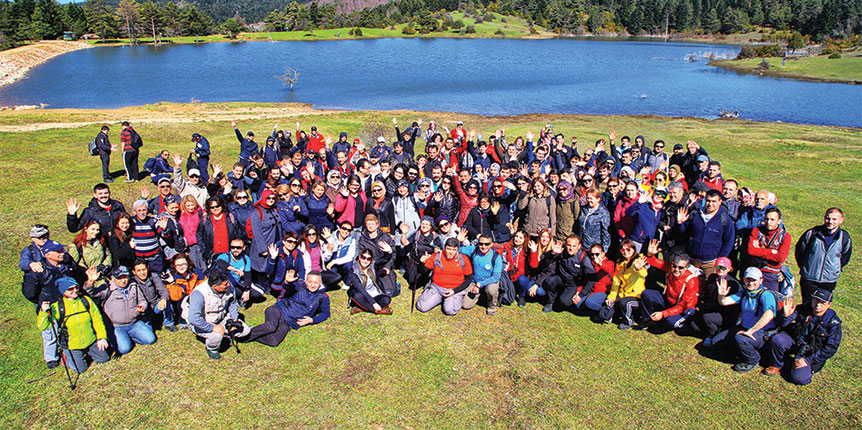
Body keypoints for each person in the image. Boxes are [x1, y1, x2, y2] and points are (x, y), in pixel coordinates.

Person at [762, 289, 842, 385]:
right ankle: (777, 364)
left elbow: (830, 348)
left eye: (823, 302)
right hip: (798, 342)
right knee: (778, 339)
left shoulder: (833, 323)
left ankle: (802, 367)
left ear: (829, 304)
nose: (818, 304)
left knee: (800, 379)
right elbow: (783, 324)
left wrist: (807, 360)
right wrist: (786, 316)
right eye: (816, 300)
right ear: (812, 299)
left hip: (812, 352)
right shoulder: (804, 309)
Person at [37, 276, 110, 374]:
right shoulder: (57, 307)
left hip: (90, 340)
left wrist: (101, 337)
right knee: (81, 370)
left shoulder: (86, 301)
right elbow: (43, 326)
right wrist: (44, 312)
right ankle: (67, 357)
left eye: (76, 287)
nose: (75, 290)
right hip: (72, 345)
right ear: (63, 291)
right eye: (70, 289)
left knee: (104, 358)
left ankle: (86, 353)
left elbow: (97, 319)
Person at [715, 267, 779, 373]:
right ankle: (743, 350)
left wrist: (750, 331)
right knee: (715, 343)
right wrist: (721, 296)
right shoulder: (745, 293)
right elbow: (724, 302)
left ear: (761, 281)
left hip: (761, 332)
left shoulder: (766, 295)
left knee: (741, 338)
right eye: (747, 279)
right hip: (745, 327)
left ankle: (753, 360)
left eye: (753, 280)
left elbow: (769, 314)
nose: (750, 283)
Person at [247, 271, 331, 347]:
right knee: (271, 327)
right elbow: (288, 288)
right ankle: (243, 334)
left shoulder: (323, 297)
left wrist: (312, 320)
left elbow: (325, 314)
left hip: (288, 322)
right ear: (306, 282)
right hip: (278, 310)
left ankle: (249, 332)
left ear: (320, 283)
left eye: (316, 283)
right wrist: (287, 282)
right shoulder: (300, 287)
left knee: (273, 341)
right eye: (310, 282)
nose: (312, 285)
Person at [182, 267, 251, 359]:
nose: (228, 285)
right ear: (214, 286)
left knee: (245, 330)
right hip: (202, 322)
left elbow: (233, 303)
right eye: (225, 285)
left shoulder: (228, 286)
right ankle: (212, 348)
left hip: (221, 317)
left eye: (227, 282)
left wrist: (234, 319)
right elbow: (193, 318)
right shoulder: (199, 293)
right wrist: (212, 328)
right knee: (217, 335)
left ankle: (225, 334)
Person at [86, 266, 156, 356]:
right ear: (112, 278)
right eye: (119, 278)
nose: (123, 281)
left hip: (134, 323)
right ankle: (121, 338)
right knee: (124, 349)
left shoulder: (133, 286)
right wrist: (90, 281)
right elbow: (90, 292)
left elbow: (142, 300)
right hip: (116, 326)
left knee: (150, 339)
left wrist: (142, 307)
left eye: (125, 277)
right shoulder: (107, 288)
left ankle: (129, 337)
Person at [794, 207, 852, 307]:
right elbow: (800, 251)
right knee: (807, 305)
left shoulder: (844, 238)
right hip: (809, 279)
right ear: (824, 218)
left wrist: (835, 269)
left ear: (841, 220)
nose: (830, 222)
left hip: (829, 280)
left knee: (822, 307)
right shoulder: (812, 233)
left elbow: (845, 256)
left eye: (834, 219)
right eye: (828, 218)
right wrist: (806, 267)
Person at [642, 240, 701, 330]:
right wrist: (650, 254)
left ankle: (684, 323)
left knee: (669, 321)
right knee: (647, 294)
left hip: (683, 309)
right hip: (669, 302)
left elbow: (683, 306)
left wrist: (663, 314)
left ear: (686, 267)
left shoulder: (691, 281)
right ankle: (648, 320)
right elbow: (654, 262)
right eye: (674, 266)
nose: (676, 269)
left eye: (681, 267)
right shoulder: (670, 268)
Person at [676, 189, 735, 277]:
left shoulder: (725, 220)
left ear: (720, 202)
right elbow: (683, 233)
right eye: (708, 201)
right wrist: (680, 223)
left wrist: (720, 258)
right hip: (692, 259)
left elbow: (729, 241)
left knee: (709, 287)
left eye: (714, 201)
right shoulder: (695, 214)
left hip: (711, 262)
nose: (710, 204)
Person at [416, 238, 474, 316]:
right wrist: (422, 263)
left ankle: (451, 299)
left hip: (454, 289)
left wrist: (455, 291)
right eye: (448, 249)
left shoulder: (463, 259)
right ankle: (439, 298)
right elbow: (422, 271)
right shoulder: (437, 256)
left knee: (450, 311)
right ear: (444, 248)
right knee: (421, 307)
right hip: (437, 288)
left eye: (454, 250)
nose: (450, 252)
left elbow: (469, 278)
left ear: (457, 249)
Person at [692, 257, 742, 342]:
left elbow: (734, 307)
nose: (720, 270)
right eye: (718, 267)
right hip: (710, 309)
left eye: (724, 268)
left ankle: (713, 334)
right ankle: (714, 330)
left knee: (707, 318)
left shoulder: (733, 284)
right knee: (694, 324)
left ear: (729, 268)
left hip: (725, 314)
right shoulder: (712, 277)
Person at [602, 240, 648, 330]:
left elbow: (643, 274)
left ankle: (628, 321)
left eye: (628, 249)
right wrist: (611, 297)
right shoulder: (620, 262)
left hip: (635, 295)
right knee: (605, 311)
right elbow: (616, 281)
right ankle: (612, 316)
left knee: (625, 303)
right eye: (623, 250)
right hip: (623, 293)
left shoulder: (638, 260)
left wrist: (637, 268)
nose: (625, 252)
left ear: (634, 250)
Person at [746, 207, 791, 292]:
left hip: (772, 274)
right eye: (766, 219)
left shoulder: (785, 237)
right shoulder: (756, 231)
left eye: (772, 219)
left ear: (779, 221)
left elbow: (781, 257)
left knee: (771, 300)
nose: (769, 222)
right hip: (755, 271)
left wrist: (759, 251)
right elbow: (751, 250)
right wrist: (771, 251)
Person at [460, 235, 505, 315]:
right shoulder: (474, 250)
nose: (483, 246)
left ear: (491, 245)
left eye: (486, 244)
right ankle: (481, 295)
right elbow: (456, 249)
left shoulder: (496, 257)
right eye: (481, 244)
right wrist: (458, 241)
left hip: (489, 282)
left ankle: (492, 305)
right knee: (465, 305)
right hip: (474, 282)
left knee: (491, 290)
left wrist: (479, 285)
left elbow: (496, 277)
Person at [163, 253, 205, 332]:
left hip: (196, 297)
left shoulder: (196, 273)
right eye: (178, 265)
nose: (181, 267)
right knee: (182, 298)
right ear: (174, 266)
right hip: (181, 301)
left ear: (188, 264)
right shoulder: (173, 276)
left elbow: (204, 285)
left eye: (183, 264)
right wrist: (172, 283)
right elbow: (175, 297)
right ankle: (181, 320)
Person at [347, 249, 395, 315]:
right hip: (362, 294)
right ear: (360, 257)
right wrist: (374, 303)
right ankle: (381, 311)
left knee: (387, 299)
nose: (365, 261)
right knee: (356, 296)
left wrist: (389, 252)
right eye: (363, 258)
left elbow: (385, 260)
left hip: (374, 294)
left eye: (368, 259)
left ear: (371, 260)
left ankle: (360, 309)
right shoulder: (353, 270)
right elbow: (361, 289)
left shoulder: (373, 265)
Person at [214, 238, 256, 306]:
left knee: (259, 292)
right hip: (224, 285)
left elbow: (247, 275)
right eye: (232, 247)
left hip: (237, 283)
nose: (235, 250)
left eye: (238, 248)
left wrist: (247, 290)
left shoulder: (246, 259)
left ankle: (240, 298)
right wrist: (233, 269)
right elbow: (220, 262)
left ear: (243, 248)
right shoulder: (225, 256)